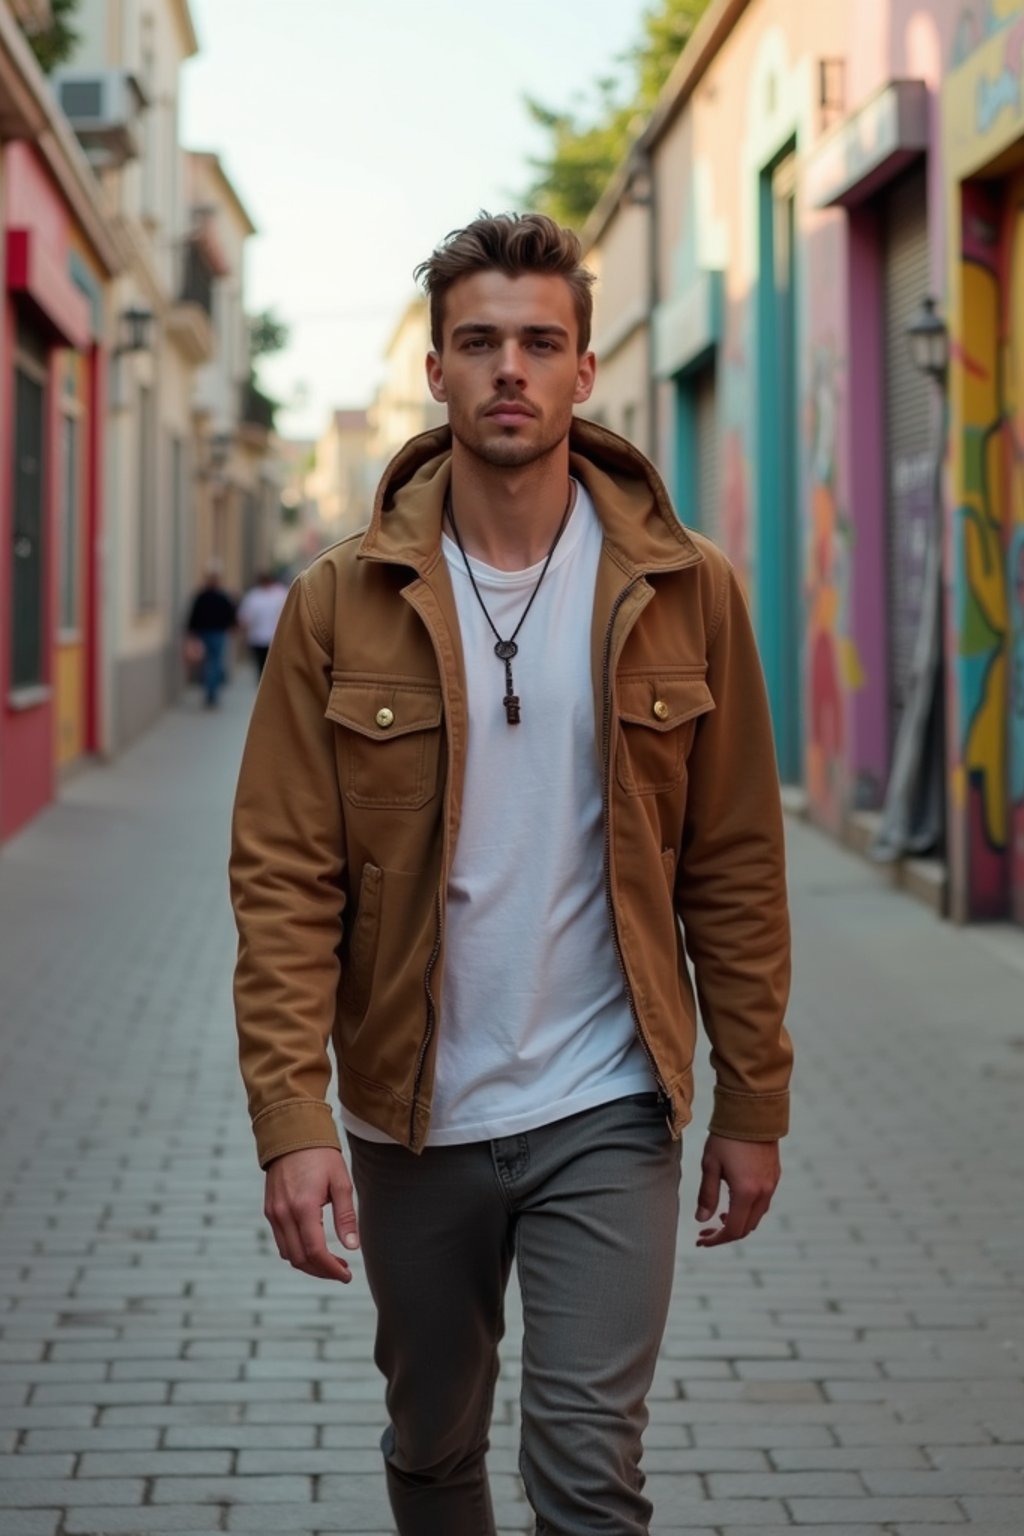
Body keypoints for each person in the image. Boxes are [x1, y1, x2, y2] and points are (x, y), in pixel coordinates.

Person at [230, 212, 792, 1536]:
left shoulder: (686, 589)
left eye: (542, 342)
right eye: (479, 342)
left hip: (608, 1097)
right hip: (411, 1113)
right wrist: (291, 1121)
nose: (511, 371)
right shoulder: (339, 601)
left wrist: (754, 1096)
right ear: (436, 370)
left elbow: (739, 866)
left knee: (590, 1470)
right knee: (433, 1445)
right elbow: (284, 876)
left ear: (586, 369)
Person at [186, 564, 237, 707]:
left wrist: (191, 632)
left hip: (204, 633)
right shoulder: (222, 597)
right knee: (214, 662)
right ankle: (211, 693)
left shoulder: (201, 597)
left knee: (208, 663)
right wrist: (232, 626)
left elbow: (193, 616)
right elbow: (230, 615)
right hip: (217, 633)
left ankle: (210, 691)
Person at [237, 569, 288, 680]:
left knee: (270, 664)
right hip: (258, 637)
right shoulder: (254, 596)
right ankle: (263, 684)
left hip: (274, 637)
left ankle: (267, 683)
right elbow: (245, 617)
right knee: (261, 664)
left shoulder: (280, 593)